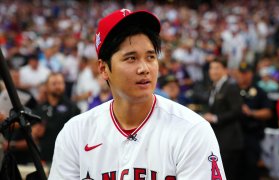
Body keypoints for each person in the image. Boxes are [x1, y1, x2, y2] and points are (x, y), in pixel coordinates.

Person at [48, 9, 226, 179]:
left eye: (150, 57)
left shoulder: (192, 130)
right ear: (103, 69)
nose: (144, 69)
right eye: (131, 58)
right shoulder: (75, 133)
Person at [202, 59, 244, 180]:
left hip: (230, 140)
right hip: (219, 137)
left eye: (217, 68)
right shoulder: (215, 87)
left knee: (227, 174)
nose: (213, 71)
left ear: (225, 70)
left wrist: (215, 118)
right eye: (211, 68)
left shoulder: (230, 86)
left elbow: (237, 111)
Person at [32, 72, 80, 165]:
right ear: (46, 86)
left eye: (60, 83)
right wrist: (35, 132)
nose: (58, 86)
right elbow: (34, 132)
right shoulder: (40, 108)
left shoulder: (73, 108)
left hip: (66, 159)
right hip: (44, 158)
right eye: (54, 84)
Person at [236, 62, 273, 180]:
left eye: (246, 73)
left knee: (251, 167)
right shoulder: (232, 90)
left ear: (251, 74)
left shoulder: (259, 91)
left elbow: (268, 112)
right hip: (234, 136)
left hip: (252, 135)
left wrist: (251, 112)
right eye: (241, 73)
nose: (243, 76)